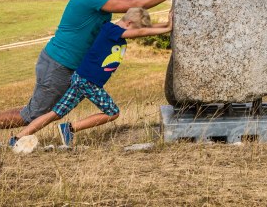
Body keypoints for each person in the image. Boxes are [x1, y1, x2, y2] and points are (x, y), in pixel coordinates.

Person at [0, 0, 175, 150]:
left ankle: (14, 134)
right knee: (32, 114)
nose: (123, 1)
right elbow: (133, 3)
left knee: (52, 111)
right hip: (59, 64)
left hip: (69, 66)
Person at [9, 8, 172, 148]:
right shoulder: (112, 31)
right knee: (112, 112)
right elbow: (142, 31)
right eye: (135, 30)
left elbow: (144, 29)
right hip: (88, 81)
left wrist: (167, 25)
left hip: (81, 79)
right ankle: (70, 128)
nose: (136, 36)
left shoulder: (115, 31)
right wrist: (167, 28)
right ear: (129, 24)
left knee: (55, 113)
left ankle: (17, 138)